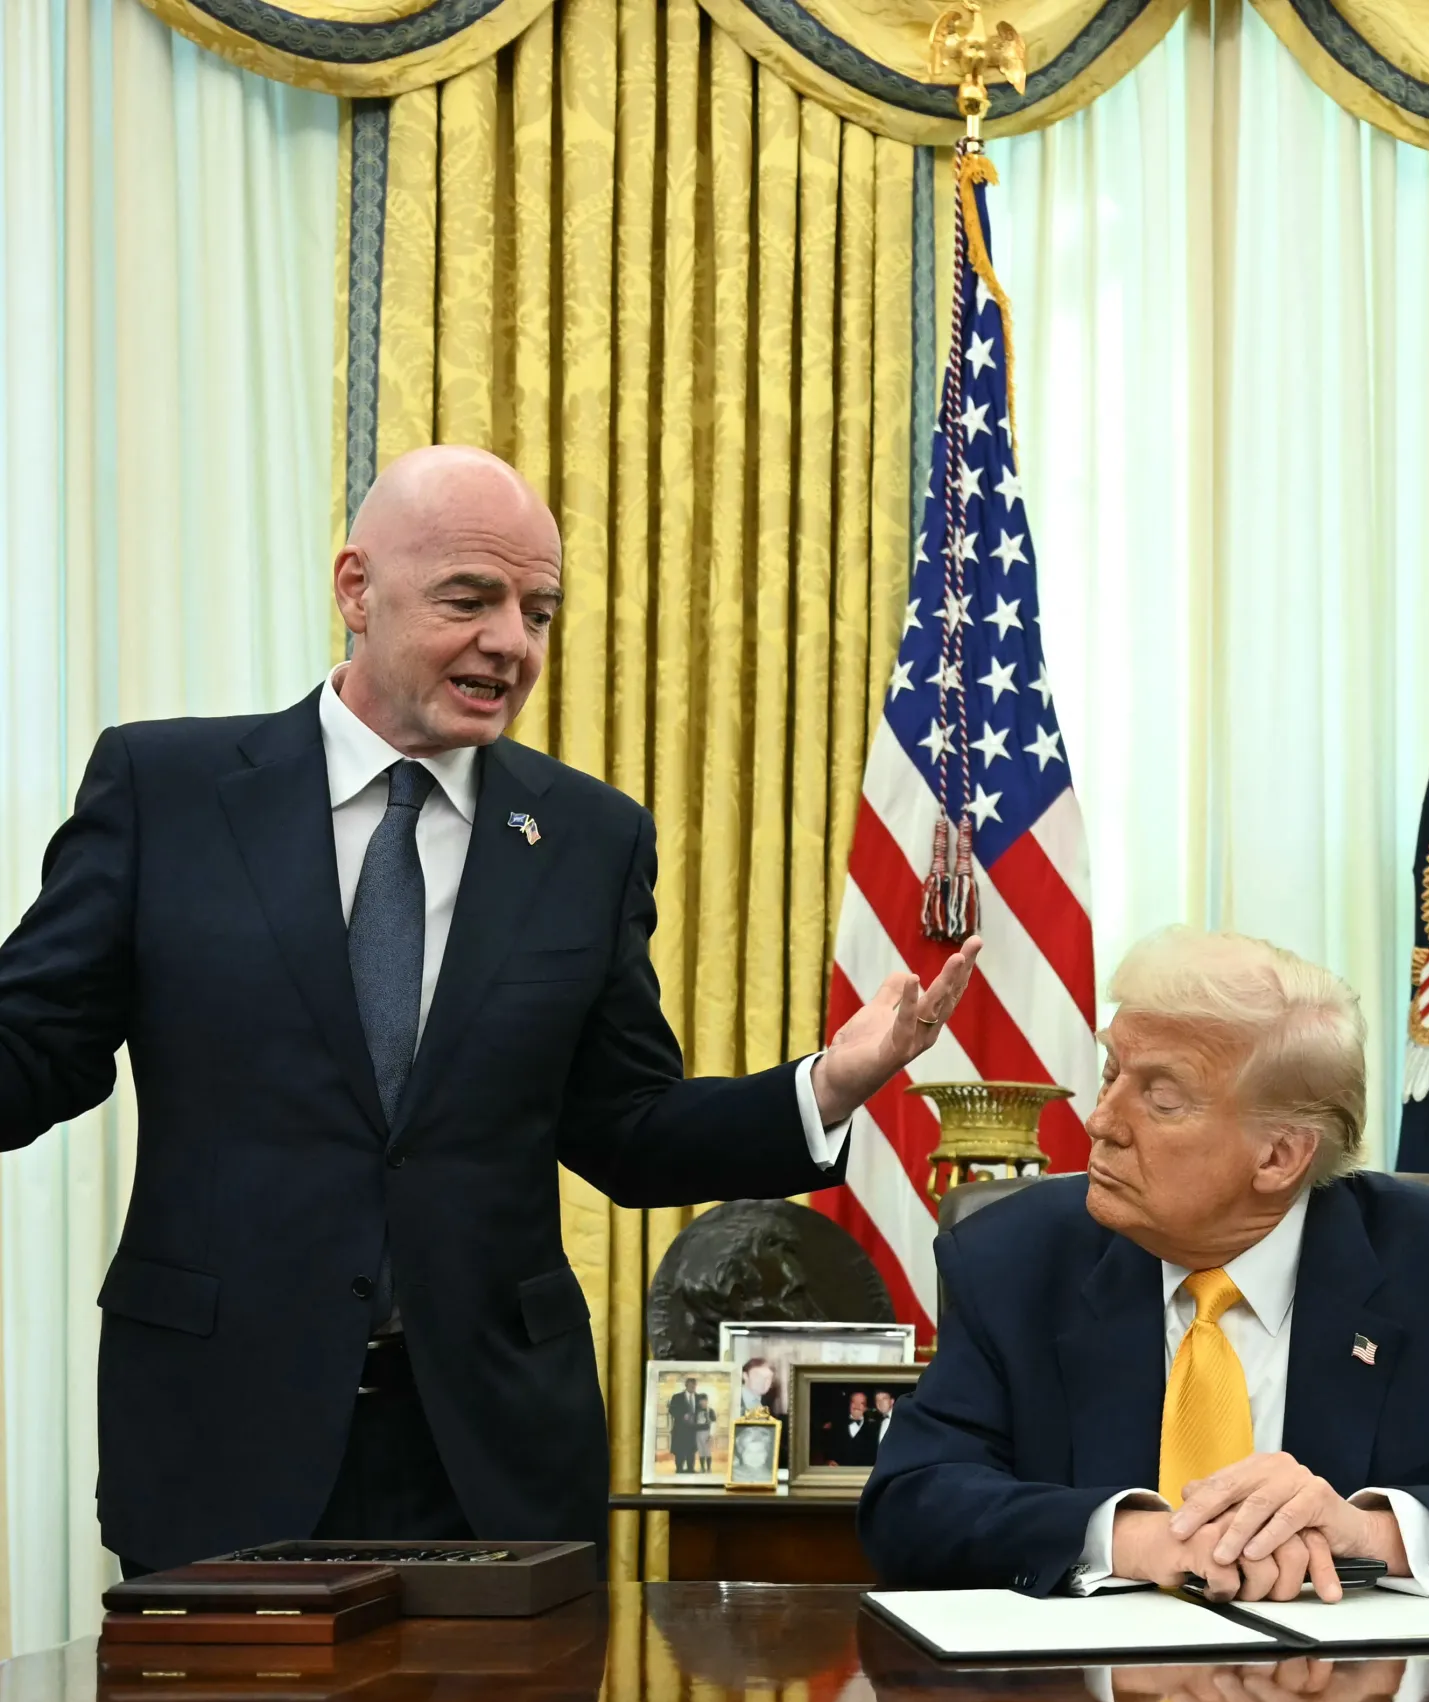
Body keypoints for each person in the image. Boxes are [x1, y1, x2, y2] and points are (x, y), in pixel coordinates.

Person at [0, 445, 980, 1577]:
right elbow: (37, 1050)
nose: (511, 641)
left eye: (538, 611)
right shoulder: (166, 791)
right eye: (470, 600)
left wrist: (829, 1085)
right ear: (357, 589)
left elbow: (627, 1127)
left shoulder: (589, 839)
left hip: (491, 1460)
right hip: (220, 1434)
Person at [860, 928, 1429, 1601]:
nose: (1101, 1121)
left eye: (1161, 1097)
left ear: (1281, 1156)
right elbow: (911, 1503)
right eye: (1111, 1073)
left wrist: (1370, 1533)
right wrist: (1138, 1540)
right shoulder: (1014, 1259)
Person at [668, 1378, 701, 1475]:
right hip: (680, 1429)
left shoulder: (699, 1397)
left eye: (694, 1385)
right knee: (680, 1449)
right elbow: (672, 1410)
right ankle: (679, 1468)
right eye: (691, 1385)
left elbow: (702, 1411)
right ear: (686, 1385)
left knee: (692, 1449)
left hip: (693, 1429)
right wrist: (682, 1416)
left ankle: (690, 1468)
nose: (693, 1387)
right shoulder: (677, 1397)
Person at [840, 1391, 878, 1468]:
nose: (857, 1406)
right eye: (854, 1402)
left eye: (861, 1403)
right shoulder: (838, 1425)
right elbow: (830, 1448)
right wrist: (829, 1460)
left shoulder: (874, 1429)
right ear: (849, 1404)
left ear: (865, 1408)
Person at [693, 1392, 716, 1475]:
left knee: (707, 1451)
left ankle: (709, 1468)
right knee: (701, 1451)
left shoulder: (710, 1410)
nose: (702, 1402)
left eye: (704, 1400)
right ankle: (702, 1468)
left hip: (706, 1433)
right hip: (698, 1433)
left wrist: (711, 1435)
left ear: (707, 1401)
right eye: (701, 1401)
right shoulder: (696, 1411)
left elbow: (713, 1423)